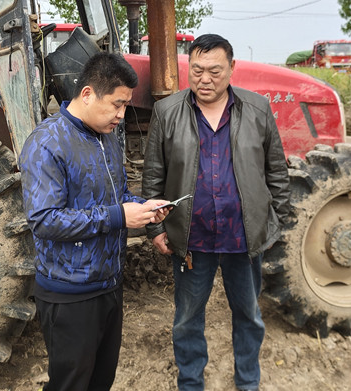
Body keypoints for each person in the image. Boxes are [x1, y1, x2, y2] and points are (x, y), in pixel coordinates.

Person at [142, 34, 291, 391]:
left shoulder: (257, 109)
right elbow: (154, 176)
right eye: (197, 70)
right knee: (187, 319)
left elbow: (276, 172)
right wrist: (155, 229)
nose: (205, 79)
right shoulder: (168, 112)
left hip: (243, 236)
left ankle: (248, 382)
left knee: (248, 315)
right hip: (192, 238)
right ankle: (191, 383)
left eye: (214, 71)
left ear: (232, 68)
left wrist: (277, 224)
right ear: (188, 68)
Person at [19, 52, 169, 391]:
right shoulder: (47, 143)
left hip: (108, 285)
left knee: (101, 381)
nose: (121, 115)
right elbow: (44, 220)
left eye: (125, 105)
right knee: (71, 384)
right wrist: (120, 216)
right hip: (70, 293)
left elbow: (116, 197)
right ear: (87, 94)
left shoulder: (107, 137)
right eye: (117, 104)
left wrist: (144, 207)